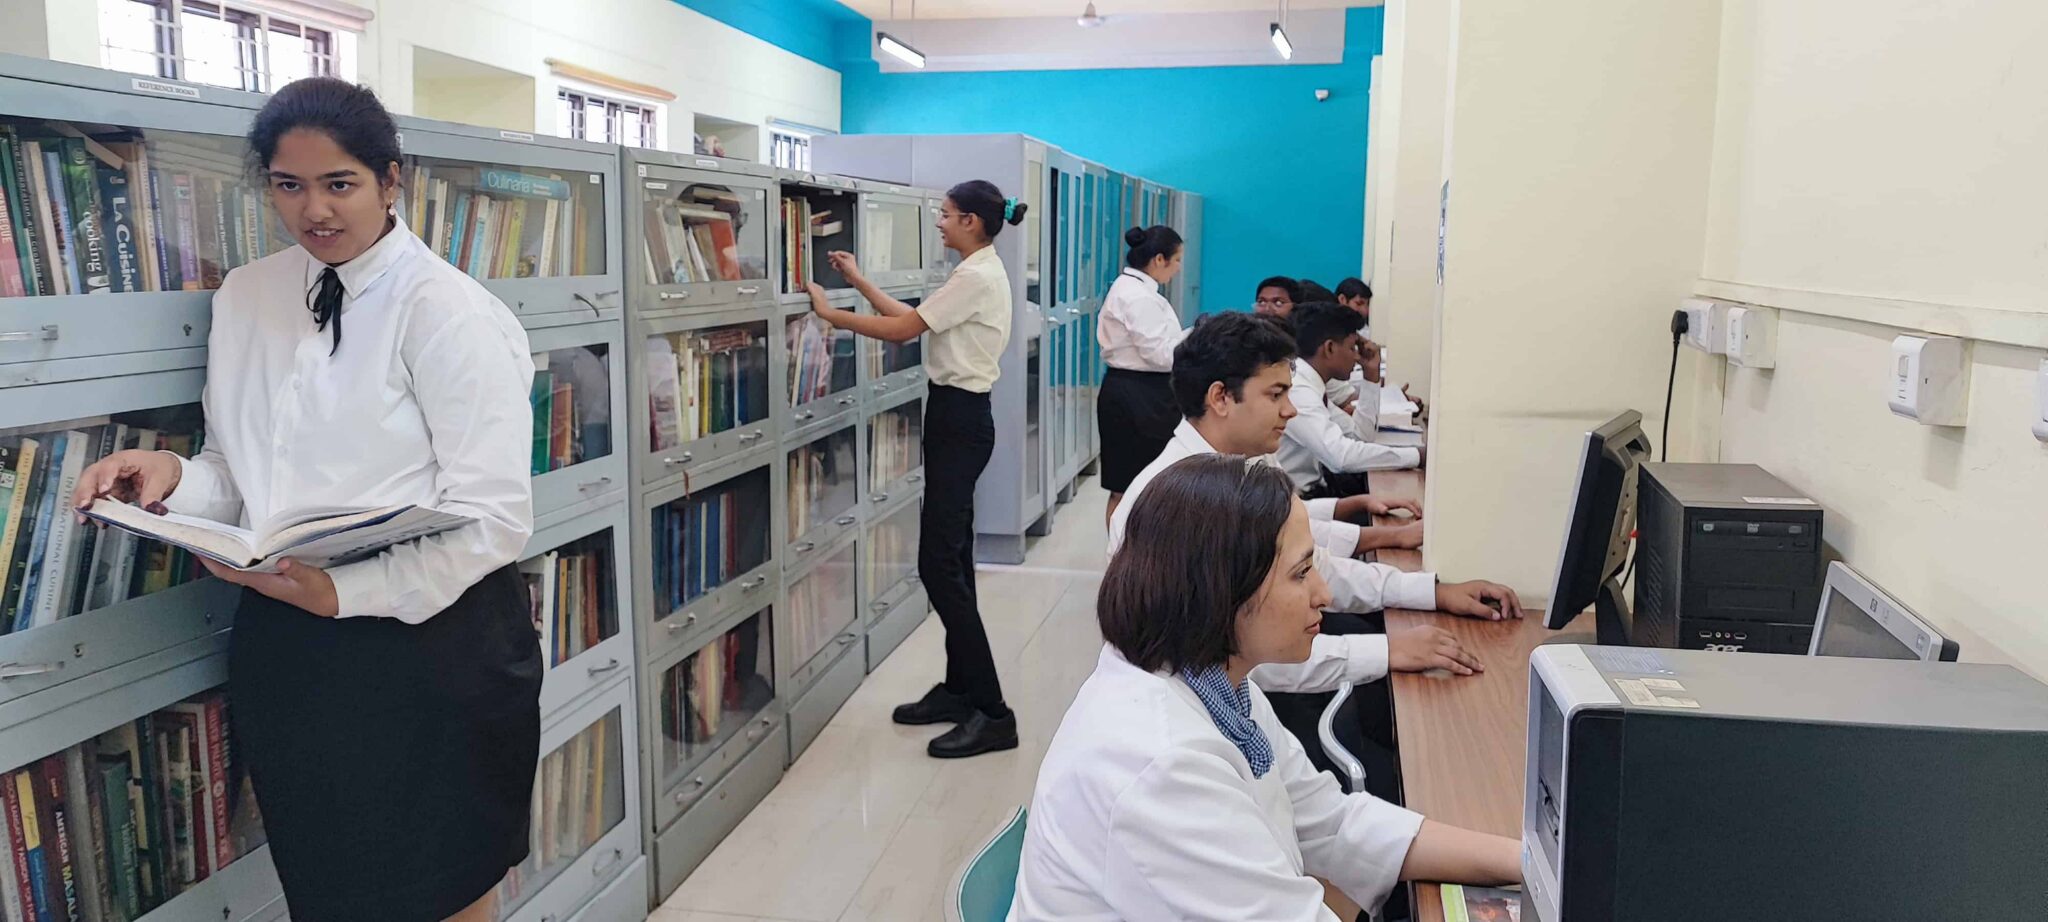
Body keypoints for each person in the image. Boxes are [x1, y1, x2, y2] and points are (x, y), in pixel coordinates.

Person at [72, 78, 538, 921]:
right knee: (330, 894)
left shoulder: (449, 312)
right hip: (290, 642)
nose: (315, 210)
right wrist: (173, 476)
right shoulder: (248, 294)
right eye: (289, 186)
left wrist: (344, 591)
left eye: (339, 184)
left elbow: (495, 518)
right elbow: (238, 468)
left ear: (391, 182)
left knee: (442, 895)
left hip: (432, 644)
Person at [1013, 455, 1524, 921]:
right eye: (1302, 573)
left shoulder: (1221, 686)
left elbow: (1334, 823)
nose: (1323, 594)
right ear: (1222, 591)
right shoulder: (1161, 764)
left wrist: (1529, 861)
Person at [805, 180, 1023, 759]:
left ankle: (994, 712)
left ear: (973, 221)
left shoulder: (977, 275)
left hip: (961, 421)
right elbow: (917, 317)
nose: (940, 224)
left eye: (947, 215)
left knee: (937, 565)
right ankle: (958, 690)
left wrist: (833, 315)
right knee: (952, 559)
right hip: (957, 417)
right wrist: (856, 283)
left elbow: (904, 332)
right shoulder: (975, 271)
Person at [1277, 303, 1420, 499]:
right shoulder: (1298, 389)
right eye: (1352, 347)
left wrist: (1371, 375)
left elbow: (1359, 437)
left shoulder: (1312, 384)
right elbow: (1340, 457)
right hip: (1296, 501)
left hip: (1314, 492)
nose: (1357, 356)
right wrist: (1417, 456)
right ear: (1329, 348)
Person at [1097, 224, 1188, 527]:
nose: (1177, 269)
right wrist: (1193, 337)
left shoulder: (1137, 289)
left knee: (1142, 484)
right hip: (1137, 395)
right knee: (1127, 487)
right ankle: (1121, 564)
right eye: (1176, 261)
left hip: (1142, 391)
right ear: (1159, 259)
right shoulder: (1137, 296)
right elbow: (1160, 355)